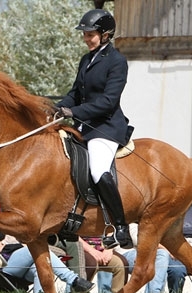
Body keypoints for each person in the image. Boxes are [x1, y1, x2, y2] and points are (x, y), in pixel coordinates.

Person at [55, 9, 133, 249]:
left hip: (106, 127)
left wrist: (74, 113)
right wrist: (58, 107)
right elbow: (75, 94)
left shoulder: (117, 62)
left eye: (90, 35)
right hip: (84, 127)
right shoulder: (86, 60)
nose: (86, 39)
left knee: (98, 168)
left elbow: (108, 102)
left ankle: (121, 226)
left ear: (106, 34)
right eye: (85, 35)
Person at [0, 199, 94, 293]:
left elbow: (21, 244)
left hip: (20, 265)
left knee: (39, 267)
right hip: (0, 269)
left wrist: (2, 246)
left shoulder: (6, 230)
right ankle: (73, 280)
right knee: (33, 250)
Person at [104, 223, 169, 293]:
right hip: (126, 253)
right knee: (162, 255)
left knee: (162, 260)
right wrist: (169, 251)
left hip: (143, 252)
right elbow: (142, 242)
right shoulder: (131, 224)